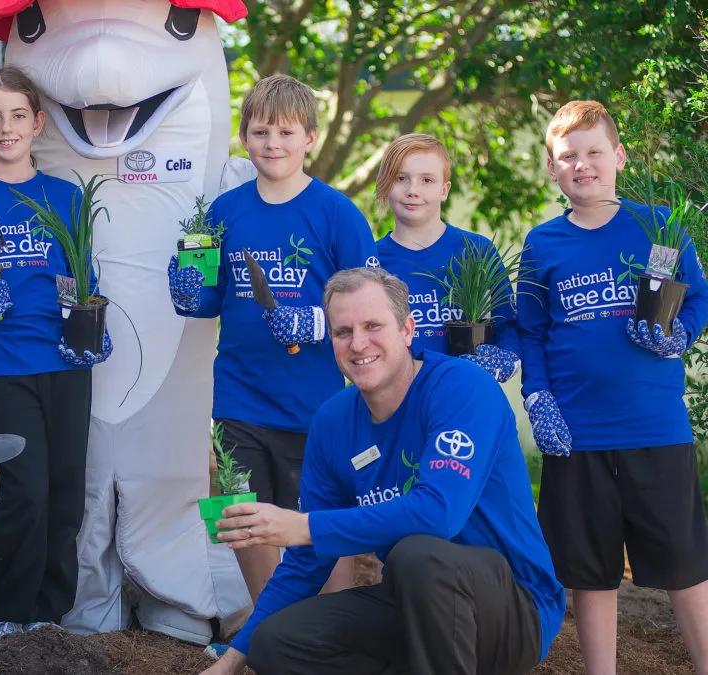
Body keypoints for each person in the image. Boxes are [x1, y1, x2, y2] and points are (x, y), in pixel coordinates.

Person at [203, 267, 565, 675]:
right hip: (413, 603)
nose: (358, 344)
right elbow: (307, 563)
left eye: (373, 326)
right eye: (343, 332)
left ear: (407, 330)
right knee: (276, 644)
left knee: (418, 553)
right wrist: (233, 661)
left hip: (513, 609)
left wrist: (304, 526)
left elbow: (438, 515)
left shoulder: (462, 387)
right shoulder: (333, 421)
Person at [167, 73, 375, 626]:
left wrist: (311, 322)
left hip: (318, 403)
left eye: (285, 132)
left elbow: (374, 308)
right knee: (240, 513)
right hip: (239, 396)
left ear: (309, 136)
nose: (272, 144)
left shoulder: (336, 213)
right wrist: (186, 284)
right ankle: (270, 626)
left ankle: (332, 632)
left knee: (322, 523)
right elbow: (205, 301)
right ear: (244, 138)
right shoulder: (223, 213)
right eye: (260, 132)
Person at [519, 100, 708, 673]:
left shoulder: (658, 225)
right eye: (568, 156)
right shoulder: (543, 243)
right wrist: (538, 397)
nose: (583, 165)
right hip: (576, 436)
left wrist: (678, 337)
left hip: (655, 428)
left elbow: (695, 298)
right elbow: (531, 329)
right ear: (552, 168)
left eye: (594, 152)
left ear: (617, 156)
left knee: (684, 564)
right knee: (589, 571)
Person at [0, 65, 112, 645]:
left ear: (38, 123)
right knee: (25, 489)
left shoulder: (66, 197)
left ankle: (49, 613)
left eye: (18, 116)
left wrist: (94, 324)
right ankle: (7, 612)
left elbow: (82, 279)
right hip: (0, 364)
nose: (6, 128)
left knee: (66, 491)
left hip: (65, 360)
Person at [373, 133, 521, 381]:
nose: (413, 190)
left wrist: (506, 359)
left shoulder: (478, 251)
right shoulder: (371, 260)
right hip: (398, 404)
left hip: (468, 398)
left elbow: (508, 324)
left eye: (427, 180)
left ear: (444, 190)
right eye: (401, 178)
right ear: (387, 185)